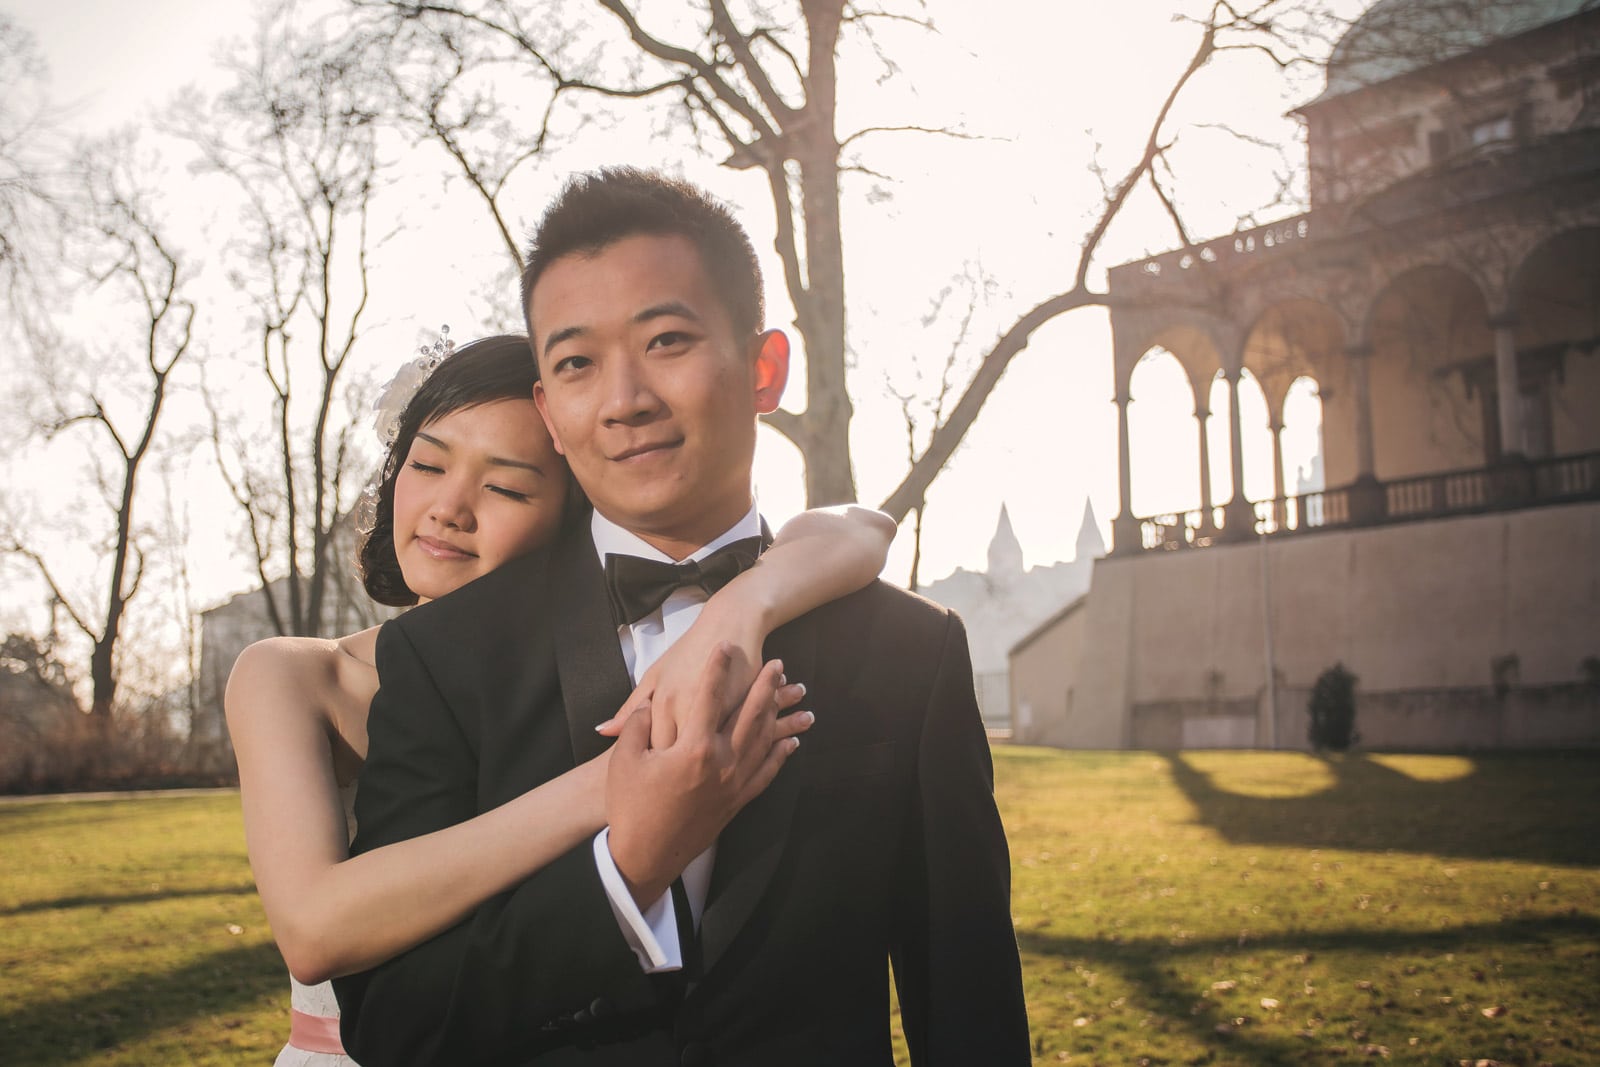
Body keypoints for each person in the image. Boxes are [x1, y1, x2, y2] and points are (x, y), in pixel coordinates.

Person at [335, 169, 1030, 1066]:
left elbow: (968, 1005)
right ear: (548, 409)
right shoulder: (441, 658)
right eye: (577, 362)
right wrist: (627, 872)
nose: (625, 399)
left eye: (666, 339)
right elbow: (393, 1021)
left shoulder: (912, 651)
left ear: (765, 368)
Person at [225, 333, 895, 1066]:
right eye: (427, 462)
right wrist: (626, 780)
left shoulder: (595, 669)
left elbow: (859, 528)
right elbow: (314, 928)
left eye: (506, 486)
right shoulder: (292, 675)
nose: (449, 506)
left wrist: (747, 601)